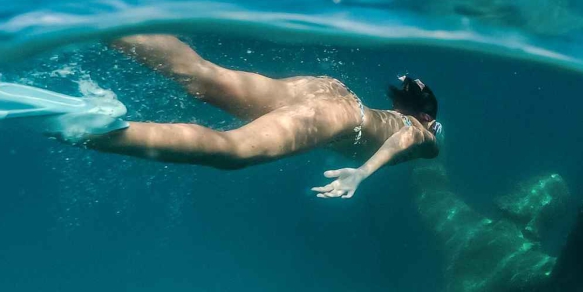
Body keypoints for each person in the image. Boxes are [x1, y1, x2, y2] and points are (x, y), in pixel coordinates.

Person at [80, 34, 441, 199]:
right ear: (426, 116)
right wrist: (361, 173)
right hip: (340, 115)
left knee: (205, 77)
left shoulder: (393, 115)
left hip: (325, 89)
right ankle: (92, 130)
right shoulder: (420, 132)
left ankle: (112, 28)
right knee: (234, 150)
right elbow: (409, 136)